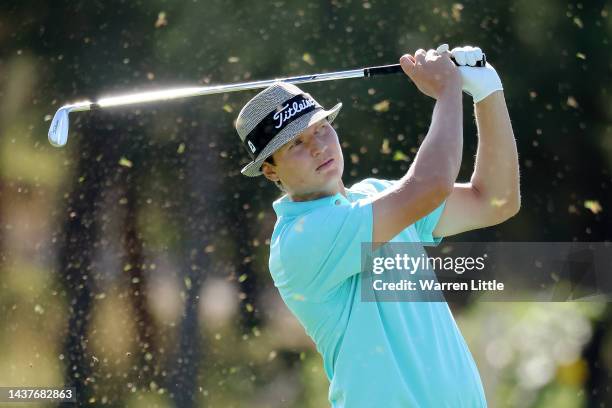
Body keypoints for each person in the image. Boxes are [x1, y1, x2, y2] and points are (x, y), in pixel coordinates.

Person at [234, 45, 520, 407]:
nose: (319, 147)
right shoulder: (301, 240)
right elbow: (430, 185)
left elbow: (495, 200)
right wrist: (448, 91)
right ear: (271, 170)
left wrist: (486, 93)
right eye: (296, 144)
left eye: (321, 129)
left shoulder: (378, 196)